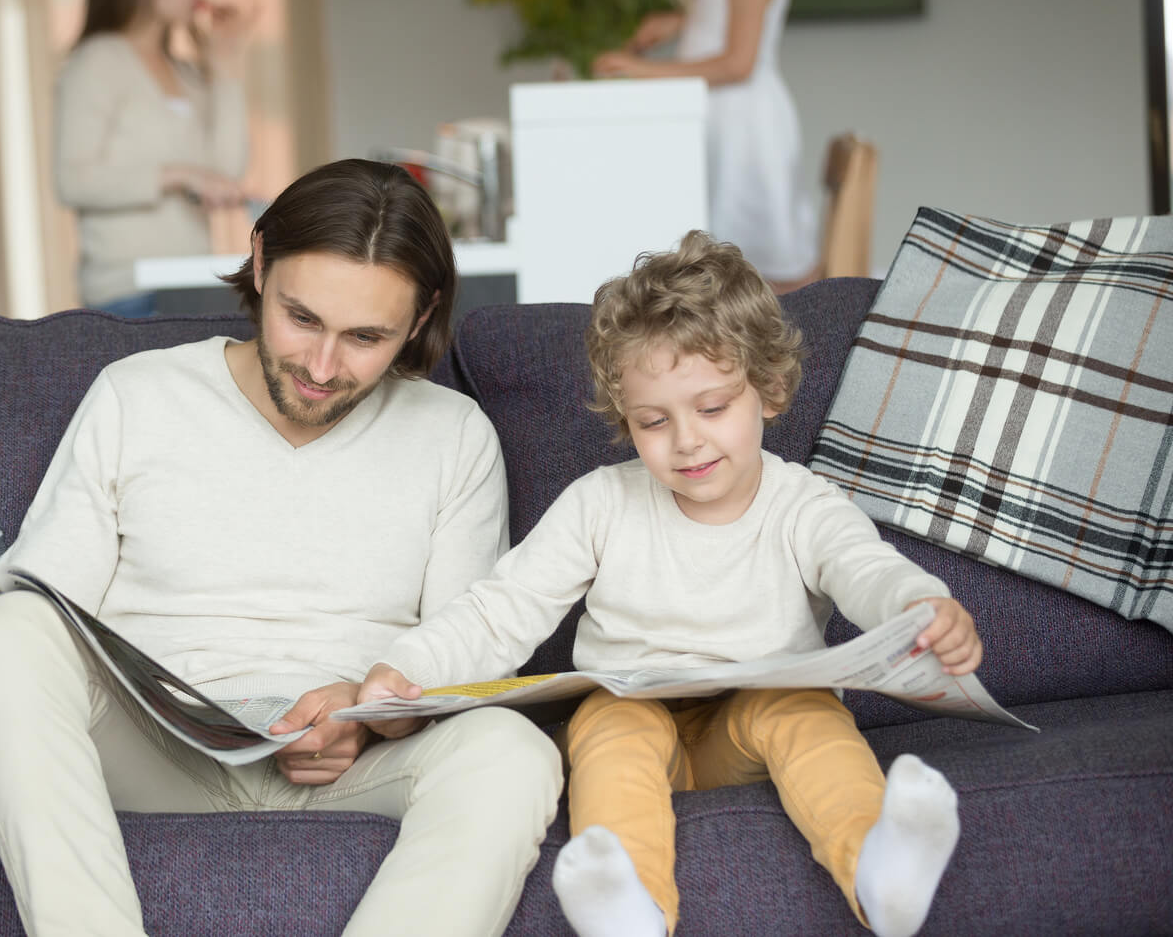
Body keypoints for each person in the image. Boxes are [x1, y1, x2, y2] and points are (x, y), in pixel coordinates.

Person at [0, 158, 556, 937]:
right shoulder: (139, 394)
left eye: (365, 337)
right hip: (157, 748)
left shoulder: (454, 435)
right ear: (261, 261)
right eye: (303, 318)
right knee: (4, 627)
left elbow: (461, 661)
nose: (322, 367)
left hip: (351, 764)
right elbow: (42, 609)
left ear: (422, 313)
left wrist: (370, 717)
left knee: (510, 749)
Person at [360, 231, 980, 937]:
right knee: (608, 723)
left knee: (803, 709)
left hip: (747, 735)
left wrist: (918, 607)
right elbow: (504, 608)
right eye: (654, 421)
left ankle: (880, 870)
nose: (686, 440)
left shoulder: (805, 504)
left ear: (769, 390)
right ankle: (632, 912)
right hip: (634, 717)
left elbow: (864, 567)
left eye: (712, 408)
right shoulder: (601, 502)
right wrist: (407, 670)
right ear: (627, 418)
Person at [592, 0, 817, 291]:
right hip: (726, 129)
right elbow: (721, 19)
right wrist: (678, 22)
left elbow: (738, 63)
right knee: (732, 262)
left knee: (772, 264)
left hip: (749, 134)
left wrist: (643, 70)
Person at [56, 0, 252, 315]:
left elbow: (226, 173)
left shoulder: (186, 73)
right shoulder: (97, 62)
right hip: (127, 293)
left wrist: (227, 68)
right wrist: (178, 175)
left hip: (189, 283)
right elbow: (73, 180)